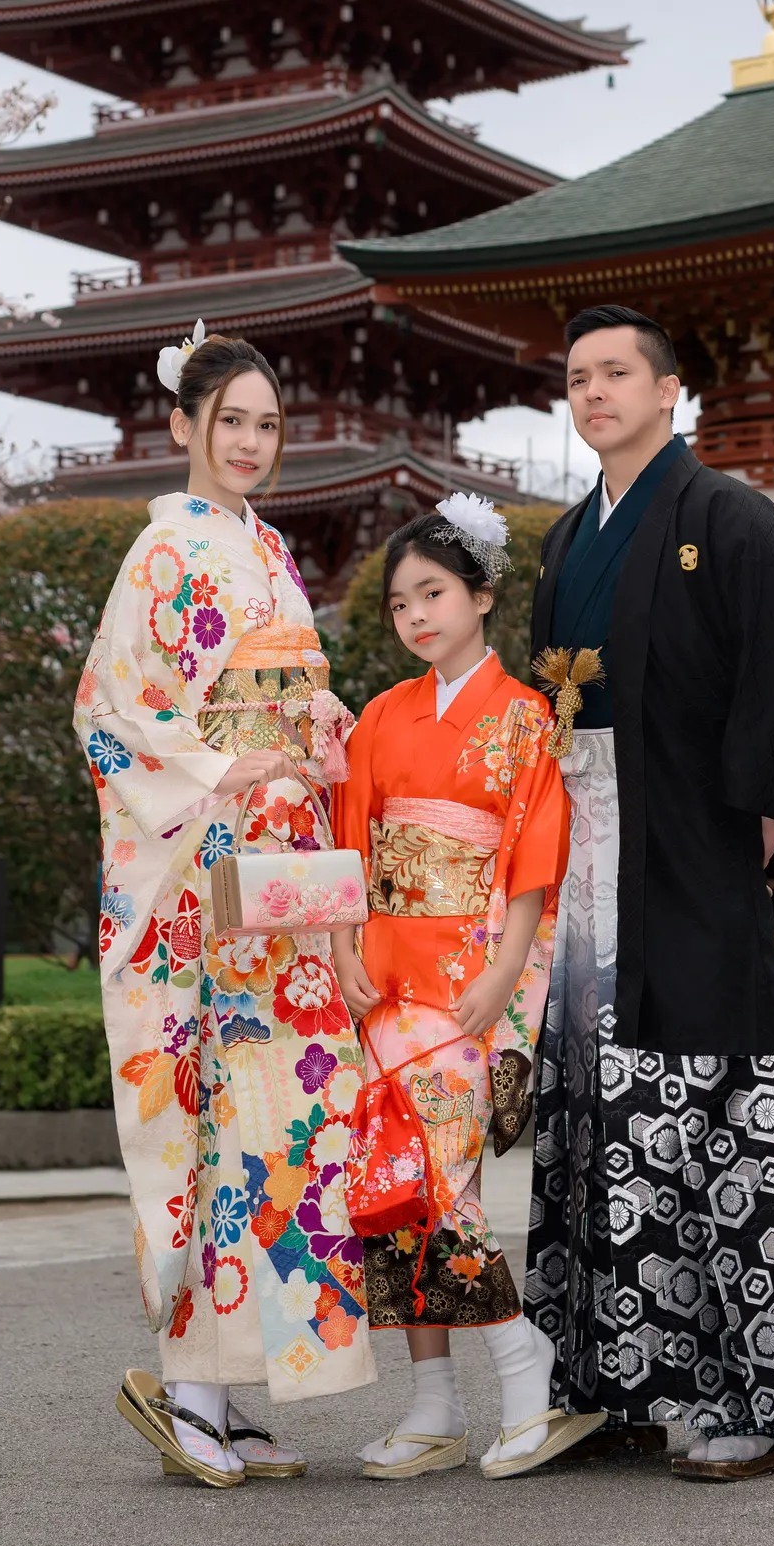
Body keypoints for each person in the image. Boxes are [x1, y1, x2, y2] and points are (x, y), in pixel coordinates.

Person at [522, 304, 774, 1482]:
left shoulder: (724, 513)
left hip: (690, 849)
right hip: (587, 851)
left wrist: (762, 805)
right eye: (577, 378)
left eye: (617, 372)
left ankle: (756, 1397)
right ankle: (622, 1384)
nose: (595, 392)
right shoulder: (569, 538)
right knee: (603, 1119)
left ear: (671, 390)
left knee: (711, 1118)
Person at [75, 325, 375, 1488]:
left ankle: (239, 1384)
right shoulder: (163, 555)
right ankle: (189, 1380)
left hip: (283, 874)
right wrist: (218, 770)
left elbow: (283, 690)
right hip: (201, 882)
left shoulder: (272, 548)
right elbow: (111, 714)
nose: (250, 443)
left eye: (267, 424)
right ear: (184, 428)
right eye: (230, 422)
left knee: (286, 1122)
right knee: (205, 1112)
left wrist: (317, 725)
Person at [332, 497, 584, 1481]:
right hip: (389, 974)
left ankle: (525, 1367)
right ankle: (434, 1404)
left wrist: (506, 971)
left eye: (434, 593)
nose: (417, 615)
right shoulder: (383, 717)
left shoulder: (523, 716)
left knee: (445, 1181)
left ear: (482, 595)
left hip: (473, 969)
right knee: (394, 1190)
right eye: (400, 603)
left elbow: (533, 856)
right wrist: (345, 940)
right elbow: (353, 840)